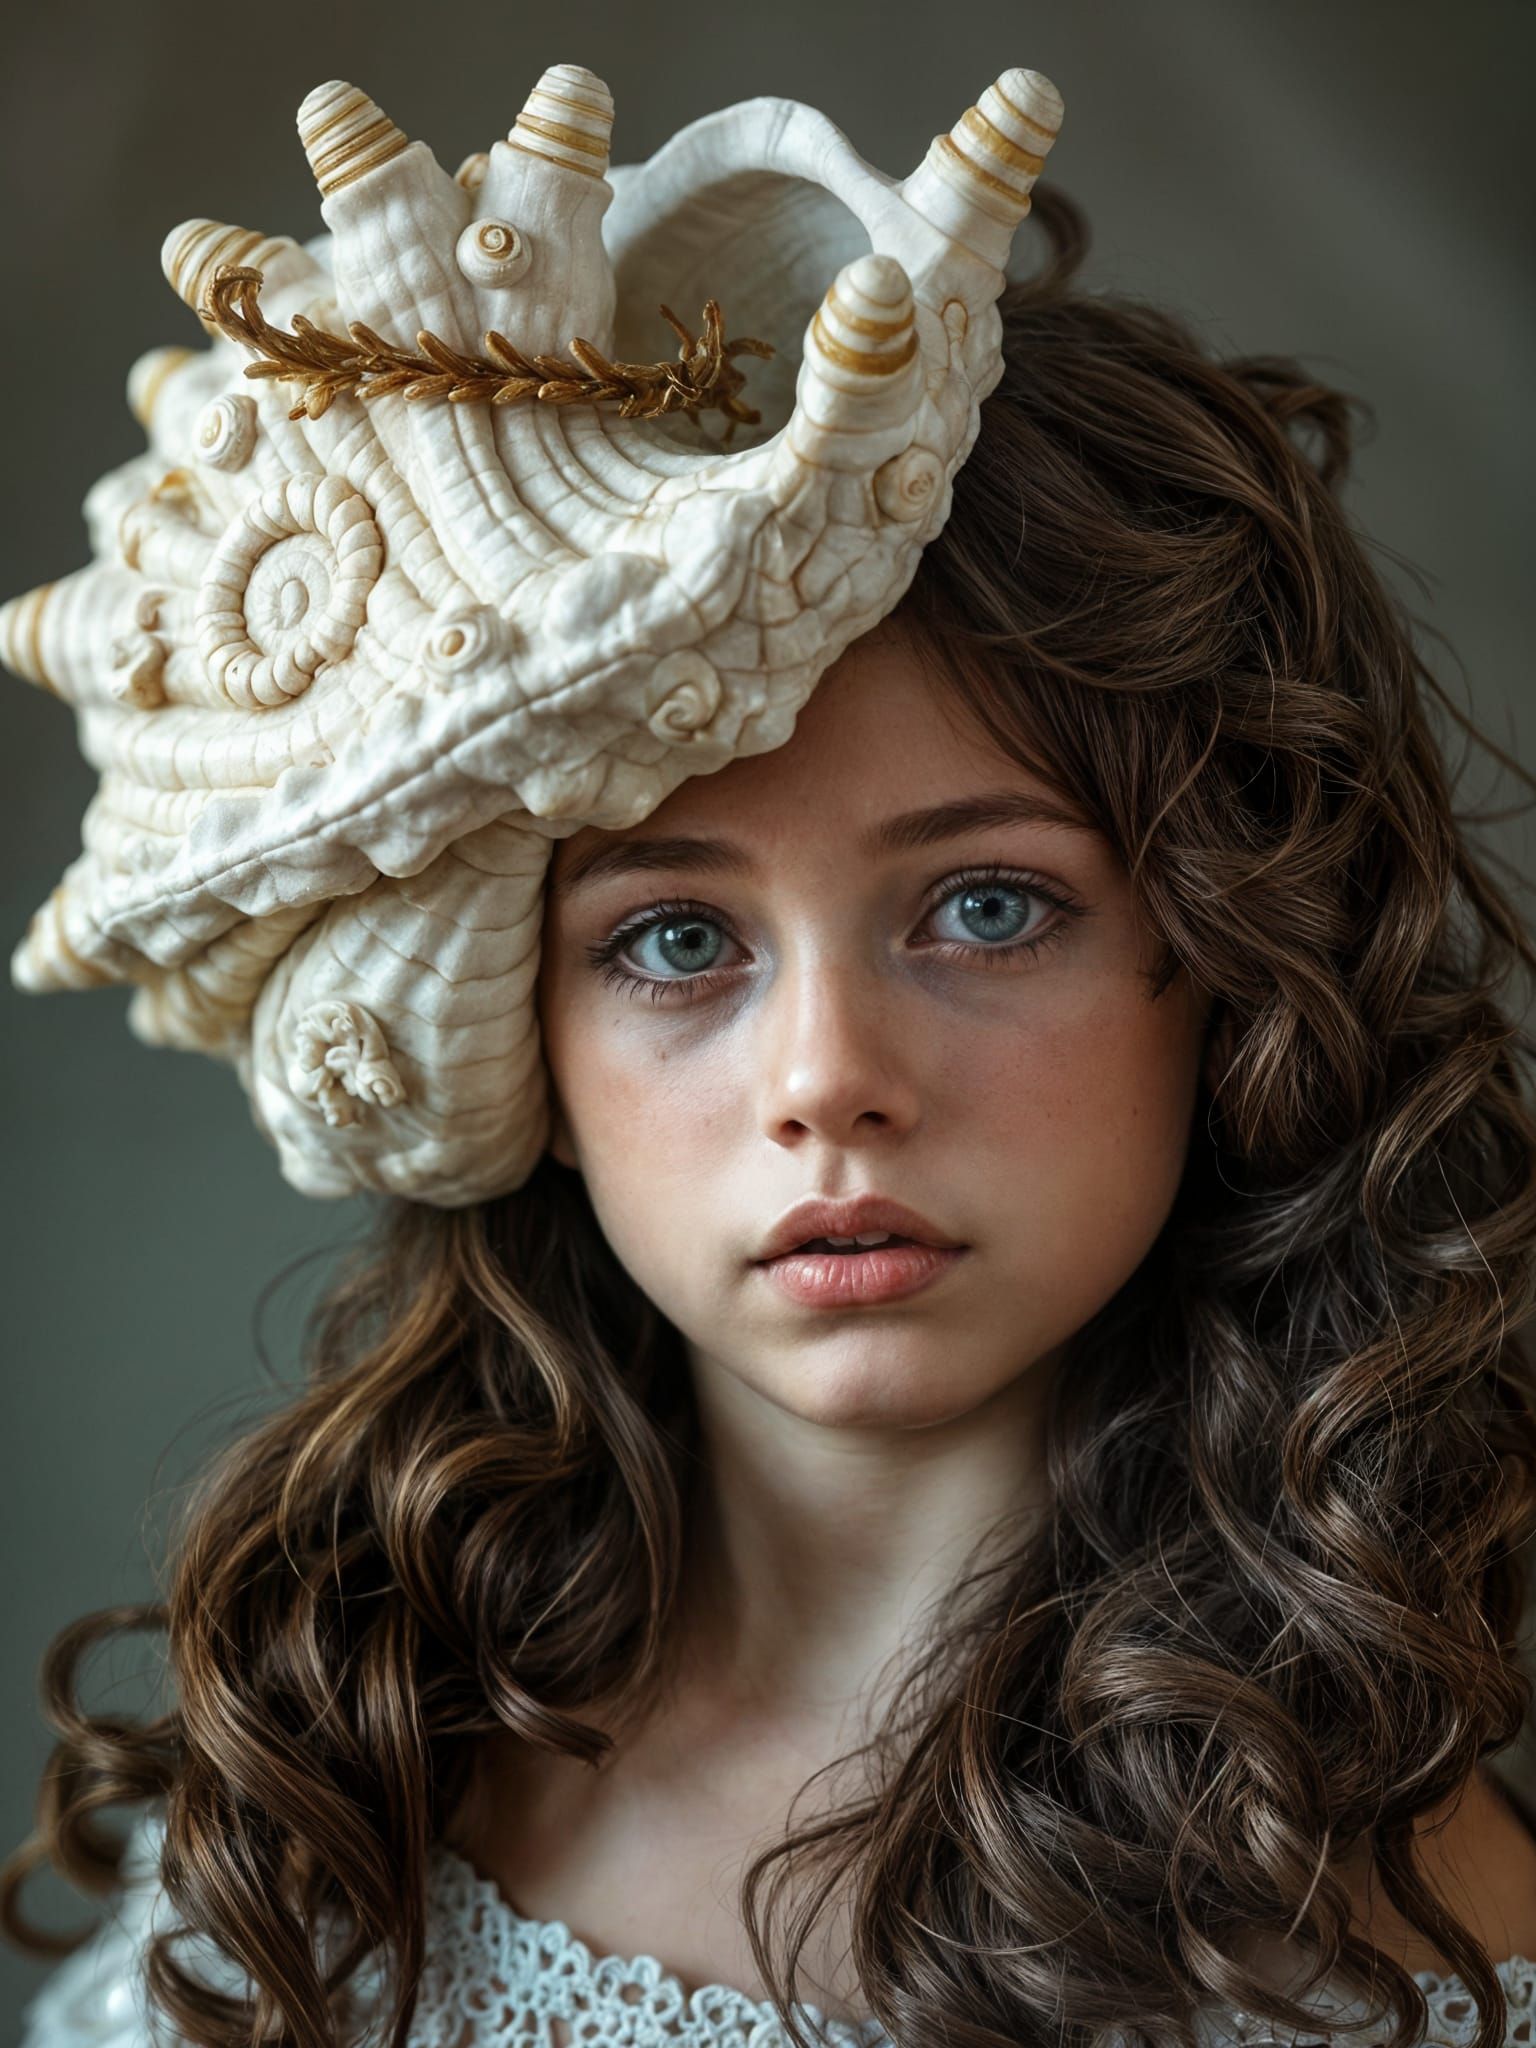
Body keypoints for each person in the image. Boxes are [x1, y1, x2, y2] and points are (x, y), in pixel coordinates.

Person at [5, 147, 1536, 2048]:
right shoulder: (326, 1820)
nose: (828, 1083)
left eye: (988, 909)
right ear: (526, 1052)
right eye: (672, 944)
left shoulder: (1396, 1952)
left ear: (1223, 976)